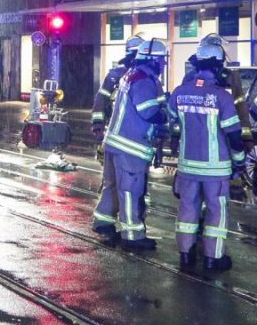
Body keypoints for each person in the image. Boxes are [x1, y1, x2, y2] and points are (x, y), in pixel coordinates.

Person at [168, 40, 245, 271]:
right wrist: (239, 163)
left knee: (187, 210)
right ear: (218, 66)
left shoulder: (180, 92)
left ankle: (185, 255)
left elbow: (173, 123)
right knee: (216, 212)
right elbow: (234, 135)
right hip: (216, 170)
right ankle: (213, 258)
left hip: (187, 168)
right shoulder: (221, 96)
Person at [92, 38, 169, 251]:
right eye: (162, 60)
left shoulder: (130, 75)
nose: (163, 64)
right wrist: (165, 116)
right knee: (130, 191)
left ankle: (103, 222)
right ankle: (132, 236)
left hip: (115, 142)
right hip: (131, 146)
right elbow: (149, 112)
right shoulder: (144, 80)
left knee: (112, 186)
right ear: (153, 60)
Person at [91, 33, 146, 157]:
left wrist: (97, 125)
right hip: (119, 131)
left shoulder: (119, 75)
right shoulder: (115, 76)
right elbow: (101, 100)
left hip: (126, 133)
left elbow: (100, 100)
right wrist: (98, 125)